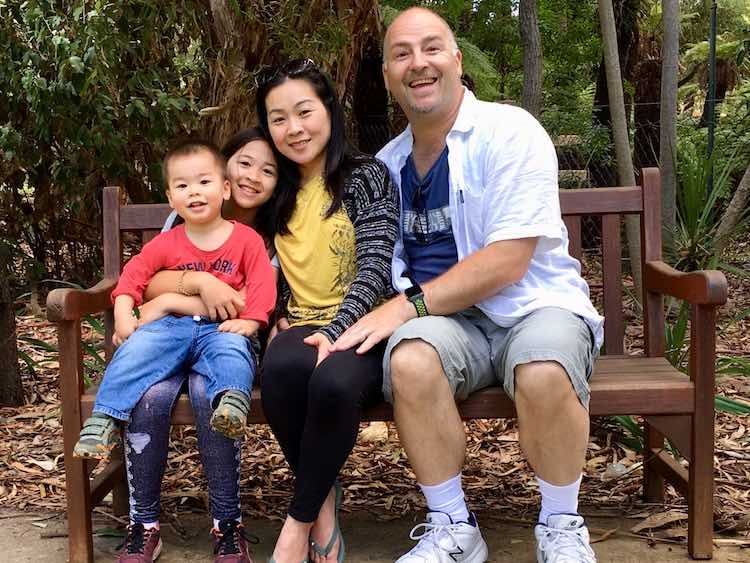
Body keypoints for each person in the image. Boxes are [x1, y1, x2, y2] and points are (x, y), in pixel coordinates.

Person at [332, 7, 604, 563]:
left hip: (532, 305)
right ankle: (453, 527)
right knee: (408, 361)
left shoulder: (510, 132)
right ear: (386, 75)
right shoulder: (387, 164)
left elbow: (507, 261)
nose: (418, 63)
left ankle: (559, 524)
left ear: (456, 59)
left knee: (543, 368)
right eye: (401, 54)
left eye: (432, 48)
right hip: (448, 325)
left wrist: (405, 307)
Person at [78, 134, 279, 563]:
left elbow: (262, 282)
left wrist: (254, 320)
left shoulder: (244, 239)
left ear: (224, 188)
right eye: (182, 186)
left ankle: (232, 403)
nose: (194, 192)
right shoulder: (168, 242)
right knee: (136, 351)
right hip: (171, 330)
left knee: (233, 350)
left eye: (204, 181)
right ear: (171, 196)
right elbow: (133, 276)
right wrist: (123, 311)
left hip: (218, 329)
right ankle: (104, 419)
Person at [254, 59, 399, 563]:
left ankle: (296, 526)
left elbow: (377, 265)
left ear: (330, 111)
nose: (294, 129)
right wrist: (271, 316)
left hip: (367, 322)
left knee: (333, 383)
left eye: (304, 111)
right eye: (278, 118)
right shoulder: (274, 190)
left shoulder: (367, 176)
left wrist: (336, 332)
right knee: (280, 370)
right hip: (301, 321)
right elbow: (252, 263)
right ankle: (324, 510)